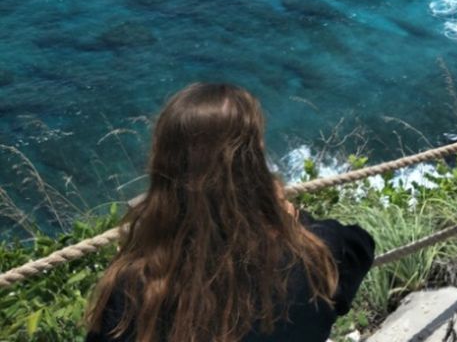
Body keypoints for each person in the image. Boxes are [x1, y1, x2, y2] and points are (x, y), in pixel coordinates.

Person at [85, 83, 375, 342]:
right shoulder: (319, 256)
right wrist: (290, 216)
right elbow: (362, 244)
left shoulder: (134, 291)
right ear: (256, 167)